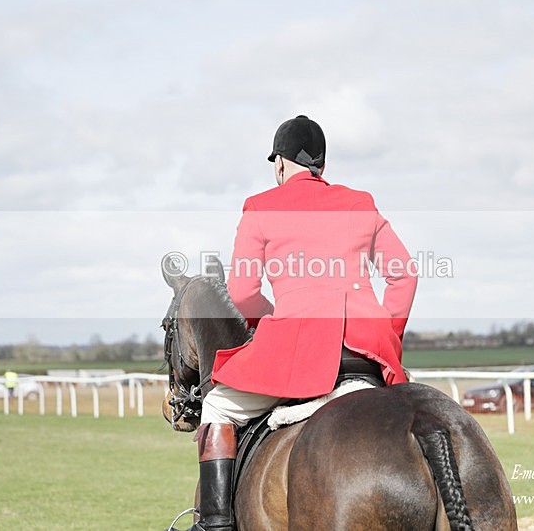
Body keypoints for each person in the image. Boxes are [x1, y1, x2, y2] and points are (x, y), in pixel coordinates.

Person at [177, 115, 418, 531]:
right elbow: (404, 274)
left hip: (299, 350)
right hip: (366, 350)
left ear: (282, 164)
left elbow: (242, 292)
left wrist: (274, 324)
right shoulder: (360, 202)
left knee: (217, 404)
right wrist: (384, 339)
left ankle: (214, 524)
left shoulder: (261, 206)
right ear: (320, 167)